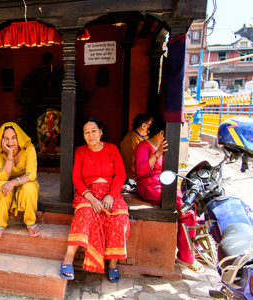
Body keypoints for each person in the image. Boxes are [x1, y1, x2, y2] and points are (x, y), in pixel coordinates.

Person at [61, 118, 130, 283]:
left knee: (119, 219)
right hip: (87, 192)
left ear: (101, 132)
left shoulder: (112, 149)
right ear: (84, 136)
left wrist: (111, 195)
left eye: (94, 131)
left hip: (109, 192)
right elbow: (76, 178)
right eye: (87, 132)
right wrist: (91, 199)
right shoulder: (80, 151)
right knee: (84, 213)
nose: (90, 134)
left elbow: (120, 175)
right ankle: (68, 259)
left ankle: (113, 264)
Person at [133, 116, 205, 273]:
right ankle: (186, 257)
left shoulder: (164, 145)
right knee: (185, 211)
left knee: (191, 202)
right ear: (161, 132)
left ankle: (191, 243)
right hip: (149, 186)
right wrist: (157, 154)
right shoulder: (143, 147)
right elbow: (141, 172)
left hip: (165, 184)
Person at [0, 122, 40, 240]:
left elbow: (31, 175)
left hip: (25, 182)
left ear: (18, 137)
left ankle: (30, 221)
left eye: (13, 138)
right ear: (2, 140)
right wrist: (9, 154)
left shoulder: (29, 149)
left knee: (29, 187)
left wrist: (13, 183)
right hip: (6, 183)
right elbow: (3, 177)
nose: (10, 142)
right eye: (6, 139)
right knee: (0, 185)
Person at [120, 113, 153, 192]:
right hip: (132, 177)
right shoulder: (131, 140)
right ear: (143, 126)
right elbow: (134, 167)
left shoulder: (143, 137)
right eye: (150, 125)